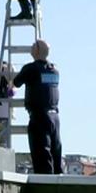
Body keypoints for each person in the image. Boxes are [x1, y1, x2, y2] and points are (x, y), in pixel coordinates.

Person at [12, 39, 62, 174]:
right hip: (55, 117)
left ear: (37, 50)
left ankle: (45, 188)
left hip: (40, 116)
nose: (31, 46)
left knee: (41, 154)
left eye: (34, 45)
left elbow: (16, 82)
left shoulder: (31, 69)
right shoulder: (54, 70)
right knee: (55, 151)